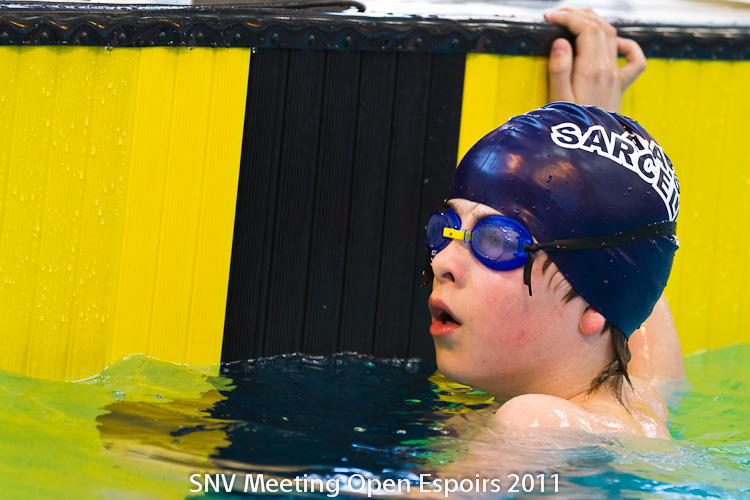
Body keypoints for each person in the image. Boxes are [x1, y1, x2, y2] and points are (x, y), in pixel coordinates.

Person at [424, 9, 684, 439]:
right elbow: (629, 282)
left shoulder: (536, 423)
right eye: (445, 229)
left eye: (496, 241)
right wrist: (594, 140)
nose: (442, 262)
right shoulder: (644, 404)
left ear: (594, 307)